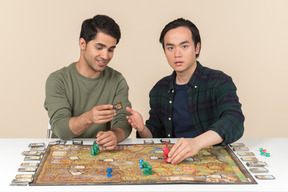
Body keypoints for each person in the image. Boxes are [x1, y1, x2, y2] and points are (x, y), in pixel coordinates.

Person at [126, 18, 244, 164]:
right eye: (170, 48)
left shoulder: (219, 81)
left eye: (184, 46)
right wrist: (142, 128)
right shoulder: (159, 89)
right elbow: (155, 135)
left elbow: (234, 120)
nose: (177, 54)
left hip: (212, 161)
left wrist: (196, 143)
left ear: (197, 48)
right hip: (175, 161)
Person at [44, 15, 132, 150]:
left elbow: (123, 120)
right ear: (82, 44)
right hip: (64, 153)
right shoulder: (57, 80)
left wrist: (115, 135)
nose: (106, 56)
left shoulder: (117, 81)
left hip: (102, 153)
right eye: (99, 47)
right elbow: (61, 129)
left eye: (111, 49)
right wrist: (89, 118)